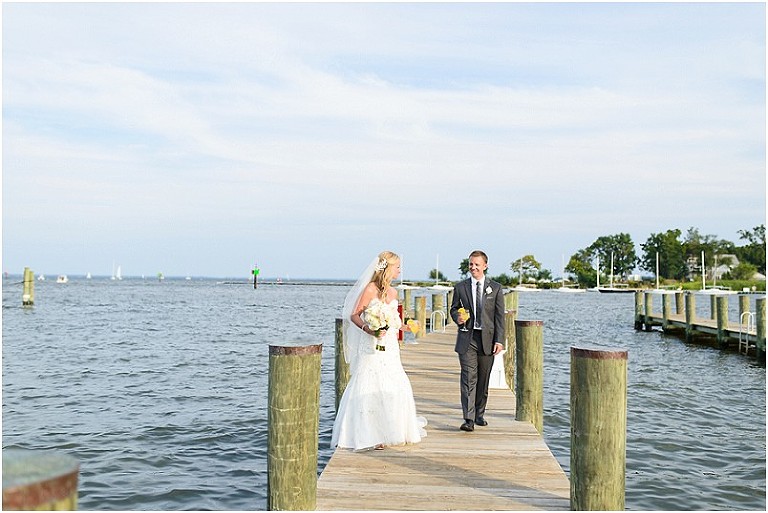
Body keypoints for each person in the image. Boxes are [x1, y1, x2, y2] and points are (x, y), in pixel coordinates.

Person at [331, 251, 427, 450]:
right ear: (388, 268)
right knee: (369, 384)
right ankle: (370, 434)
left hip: (390, 346)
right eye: (397, 267)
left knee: (394, 383)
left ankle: (393, 430)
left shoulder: (393, 292)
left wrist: (407, 327)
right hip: (371, 344)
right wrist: (369, 328)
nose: (400, 270)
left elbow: (395, 322)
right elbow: (354, 315)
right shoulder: (370, 289)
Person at [449, 250, 506, 432]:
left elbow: (499, 317)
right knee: (468, 378)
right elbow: (453, 309)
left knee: (483, 379)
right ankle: (468, 419)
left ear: (485, 266)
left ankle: (479, 413)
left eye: (476, 265)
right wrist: (457, 317)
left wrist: (499, 340)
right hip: (468, 337)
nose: (473, 268)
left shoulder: (495, 288)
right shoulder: (460, 287)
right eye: (471, 264)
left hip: (487, 340)